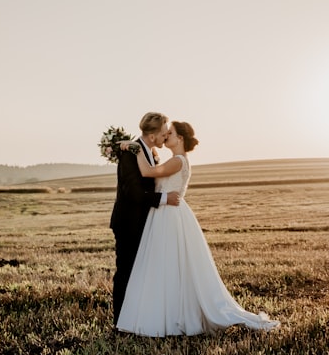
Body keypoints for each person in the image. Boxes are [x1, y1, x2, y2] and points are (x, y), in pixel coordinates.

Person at [116, 121, 279, 337]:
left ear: (180, 139)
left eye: (170, 133)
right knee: (165, 265)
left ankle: (173, 316)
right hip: (163, 214)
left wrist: (135, 149)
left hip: (171, 216)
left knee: (171, 263)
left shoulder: (178, 161)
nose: (166, 136)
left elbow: (147, 173)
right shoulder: (173, 160)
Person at [109, 112, 181, 326]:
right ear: (152, 137)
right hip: (128, 223)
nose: (166, 135)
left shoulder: (150, 153)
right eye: (164, 133)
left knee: (141, 272)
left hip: (145, 223)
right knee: (126, 272)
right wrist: (164, 198)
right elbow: (133, 193)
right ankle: (120, 322)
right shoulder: (131, 154)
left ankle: (137, 318)